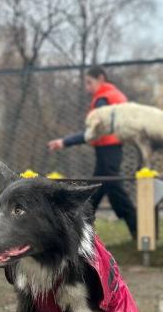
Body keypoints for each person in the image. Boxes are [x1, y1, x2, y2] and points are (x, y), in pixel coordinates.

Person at [48, 66, 137, 239]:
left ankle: (139, 229)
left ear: (101, 79)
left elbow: (92, 133)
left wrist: (64, 142)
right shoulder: (114, 95)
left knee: (113, 190)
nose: (87, 88)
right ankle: (79, 229)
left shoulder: (103, 99)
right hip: (111, 149)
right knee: (97, 189)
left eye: (89, 83)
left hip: (108, 149)